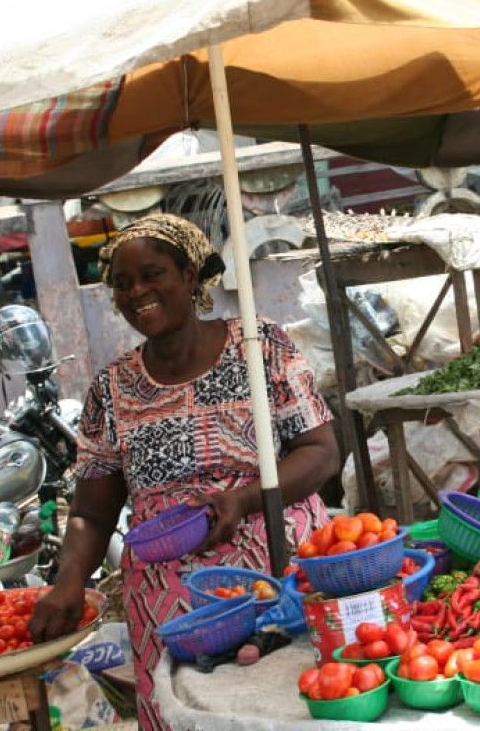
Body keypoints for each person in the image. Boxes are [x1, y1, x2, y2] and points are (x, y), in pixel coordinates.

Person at [29, 213, 339, 729]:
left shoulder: (260, 346)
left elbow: (321, 451)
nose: (137, 292)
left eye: (152, 275)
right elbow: (91, 512)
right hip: (168, 605)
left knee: (289, 709)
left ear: (190, 275)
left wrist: (241, 500)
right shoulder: (111, 388)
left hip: (276, 577)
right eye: (123, 283)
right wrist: (68, 582)